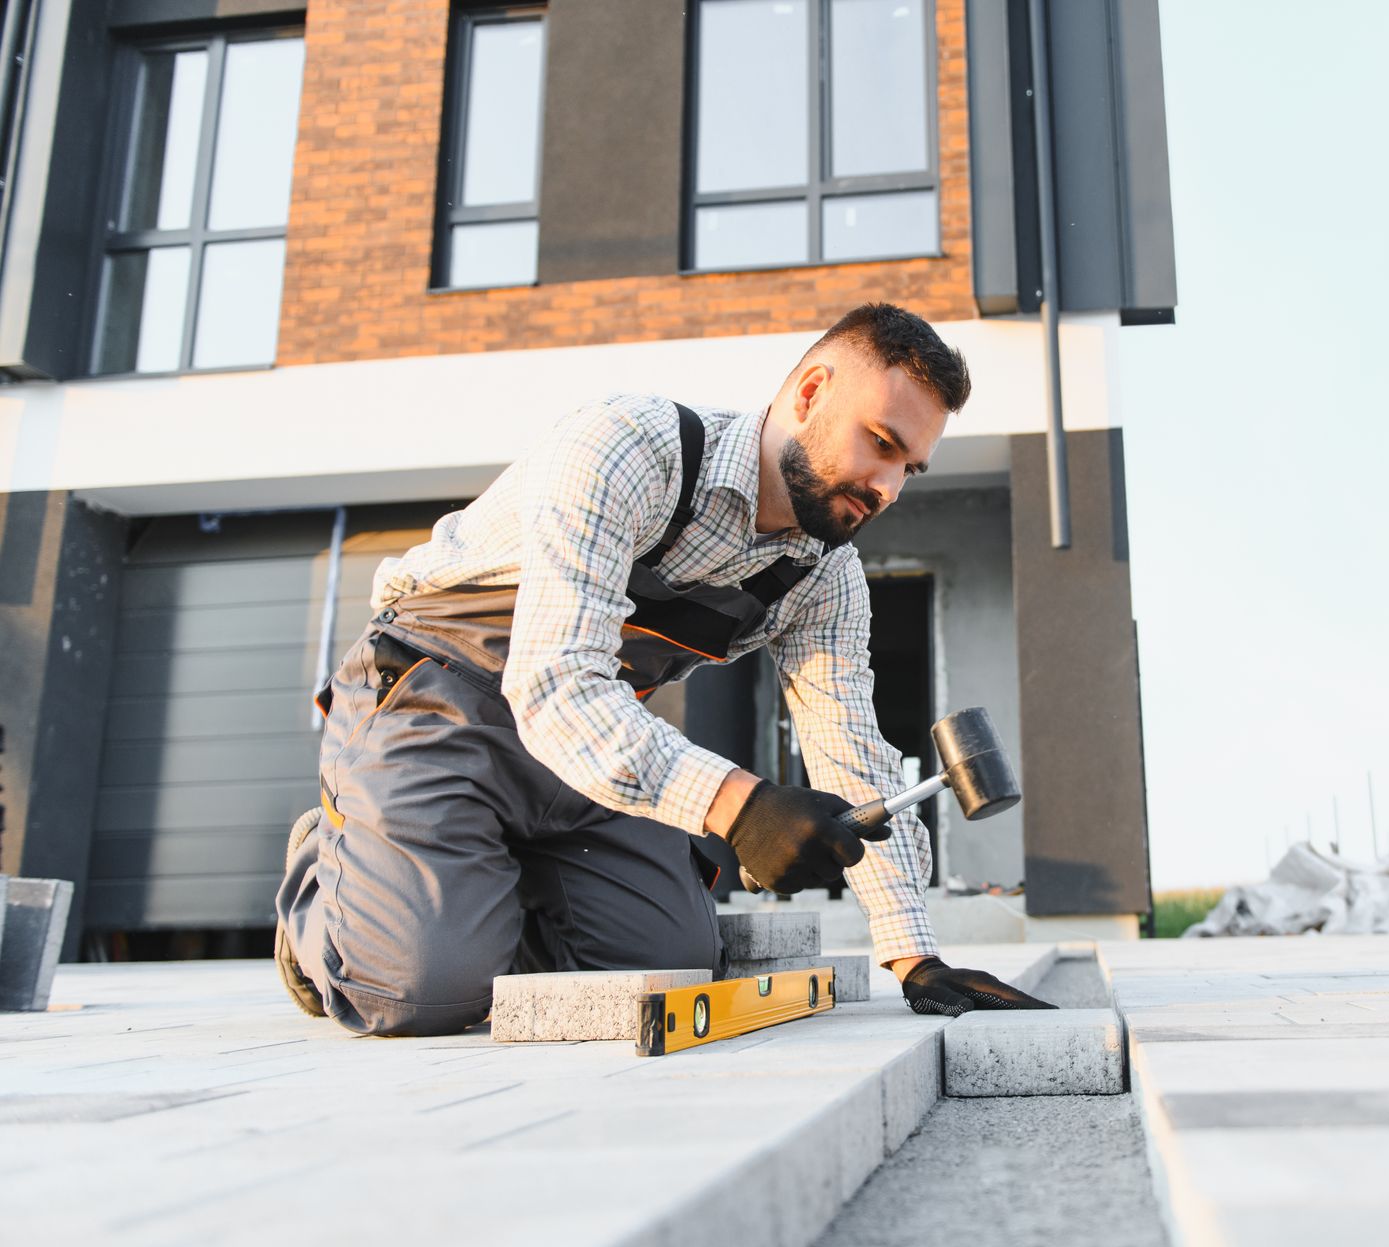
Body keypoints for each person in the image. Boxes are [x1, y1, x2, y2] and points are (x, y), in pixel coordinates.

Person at [274, 302, 1054, 1035]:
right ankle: (337, 877)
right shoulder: (627, 448)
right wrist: (743, 806)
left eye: (909, 470)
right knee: (421, 989)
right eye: (881, 443)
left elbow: (849, 751)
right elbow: (553, 683)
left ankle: (465, 881)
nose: (886, 487)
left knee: (670, 968)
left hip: (589, 747)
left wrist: (915, 957)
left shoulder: (825, 577)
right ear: (812, 392)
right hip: (440, 699)